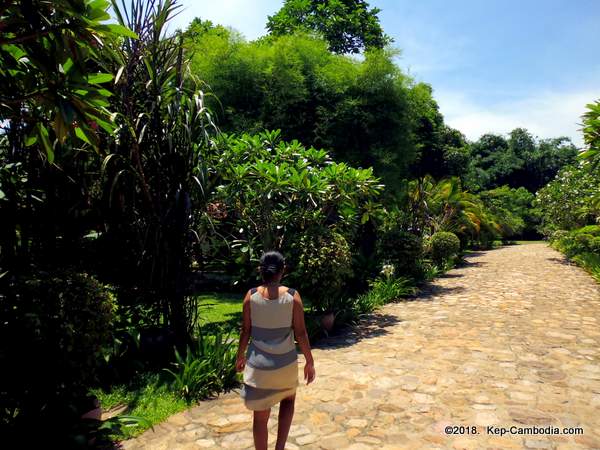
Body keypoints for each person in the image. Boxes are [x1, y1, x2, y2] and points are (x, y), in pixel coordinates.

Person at [236, 250, 316, 450]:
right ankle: (280, 448)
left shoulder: (251, 296)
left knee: (260, 416)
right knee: (288, 401)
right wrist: (309, 361)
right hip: (285, 365)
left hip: (259, 368)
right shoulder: (292, 297)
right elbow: (301, 333)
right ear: (283, 271)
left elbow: (245, 331)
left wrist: (240, 356)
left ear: (260, 271)